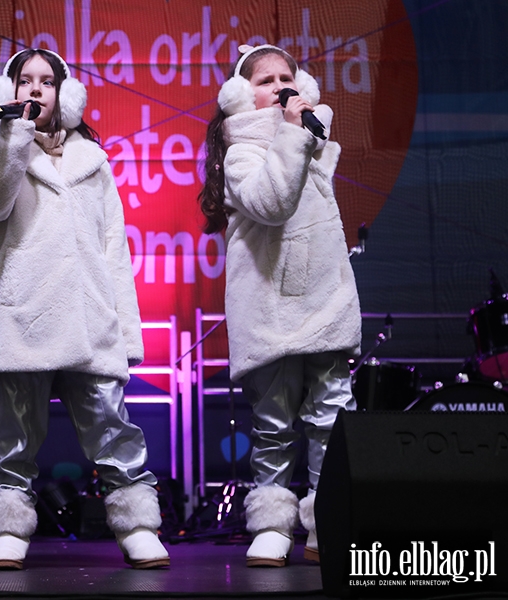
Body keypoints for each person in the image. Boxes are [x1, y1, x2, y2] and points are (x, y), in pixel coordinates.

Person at [0, 48, 170, 570]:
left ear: (64, 93)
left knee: (113, 430)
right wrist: (13, 138)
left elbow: (113, 251)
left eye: (46, 82)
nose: (35, 90)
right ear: (6, 92)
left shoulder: (93, 162)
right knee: (13, 437)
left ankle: (139, 523)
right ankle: (7, 528)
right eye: (25, 81)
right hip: (21, 316)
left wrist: (127, 335)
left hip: (88, 318)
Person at [198, 45, 360, 567]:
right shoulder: (241, 150)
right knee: (274, 423)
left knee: (333, 417)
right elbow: (271, 203)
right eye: (266, 80)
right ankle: (271, 523)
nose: (279, 86)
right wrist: (291, 133)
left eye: (286, 76)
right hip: (270, 306)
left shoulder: (311, 141)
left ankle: (329, 517)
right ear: (243, 95)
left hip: (324, 299)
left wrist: (300, 134)